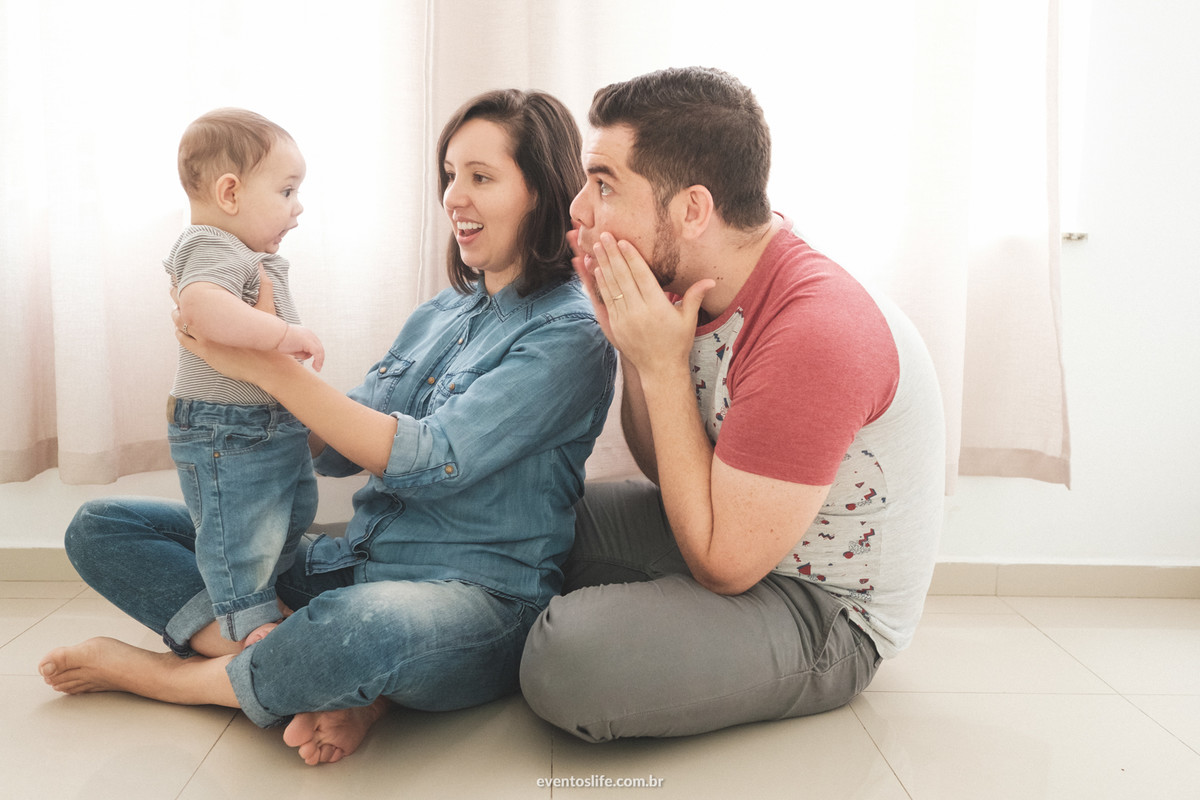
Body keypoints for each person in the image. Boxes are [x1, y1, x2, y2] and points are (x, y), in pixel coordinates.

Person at [38, 89, 615, 766]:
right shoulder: (443, 312)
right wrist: (237, 379)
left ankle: (176, 678)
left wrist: (273, 370)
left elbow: (431, 459)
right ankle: (315, 672)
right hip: (348, 566)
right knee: (102, 527)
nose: (455, 197)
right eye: (451, 175)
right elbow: (340, 451)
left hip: (475, 600)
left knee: (357, 632)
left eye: (481, 178)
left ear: (542, 193)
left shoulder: (571, 334)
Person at [519, 66, 946, 742]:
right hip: (732, 532)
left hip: (824, 609)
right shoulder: (701, 281)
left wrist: (661, 366)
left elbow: (723, 565)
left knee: (567, 657)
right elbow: (672, 476)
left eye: (603, 185)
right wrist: (634, 349)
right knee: (523, 500)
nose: (578, 210)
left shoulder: (814, 330)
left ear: (692, 210)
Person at [164, 108, 325, 647]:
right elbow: (200, 310)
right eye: (286, 192)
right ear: (229, 193)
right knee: (241, 533)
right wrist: (281, 337)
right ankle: (248, 627)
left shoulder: (243, 251)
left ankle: (263, 596)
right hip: (224, 429)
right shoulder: (209, 245)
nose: (297, 209)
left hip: (266, 421)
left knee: (292, 512)